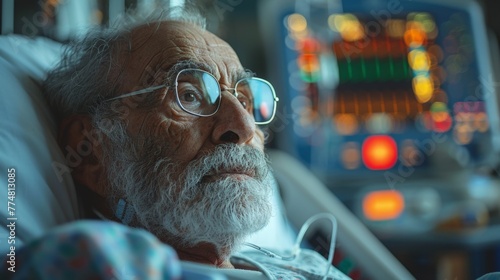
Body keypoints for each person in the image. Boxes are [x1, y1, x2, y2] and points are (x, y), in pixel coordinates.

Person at [26, 4, 279, 271]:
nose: (245, 127)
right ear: (90, 151)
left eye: (243, 100)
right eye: (189, 95)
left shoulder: (297, 263)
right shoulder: (92, 261)